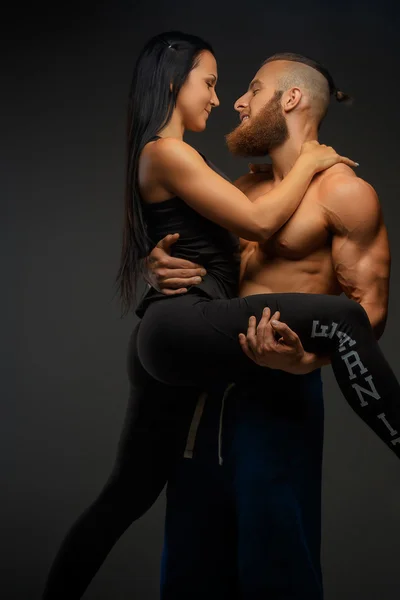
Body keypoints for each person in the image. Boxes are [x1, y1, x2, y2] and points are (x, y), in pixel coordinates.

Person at [41, 32, 391, 599]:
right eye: (219, 84)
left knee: (277, 559)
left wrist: (305, 361)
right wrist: (162, 269)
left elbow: (366, 312)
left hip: (279, 385)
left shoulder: (346, 193)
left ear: (292, 100)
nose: (234, 100)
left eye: (252, 89)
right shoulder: (243, 186)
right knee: (191, 559)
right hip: (206, 385)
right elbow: (215, 251)